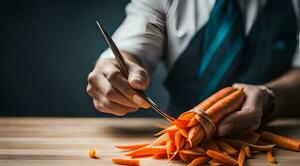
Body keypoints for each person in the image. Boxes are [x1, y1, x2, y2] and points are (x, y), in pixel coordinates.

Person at [87, 0, 300, 137]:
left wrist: (270, 97)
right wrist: (113, 69)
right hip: (181, 138)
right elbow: (133, 43)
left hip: (272, 138)